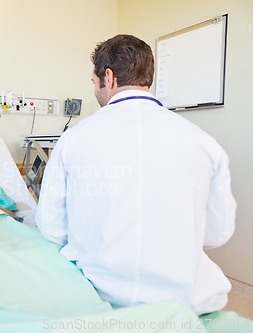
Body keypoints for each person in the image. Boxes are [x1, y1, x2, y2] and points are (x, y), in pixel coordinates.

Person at [36, 34, 236, 315]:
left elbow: (52, 229)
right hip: (184, 302)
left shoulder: (74, 140)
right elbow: (217, 234)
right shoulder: (203, 142)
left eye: (94, 84)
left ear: (109, 77)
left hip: (99, 297)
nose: (96, 91)